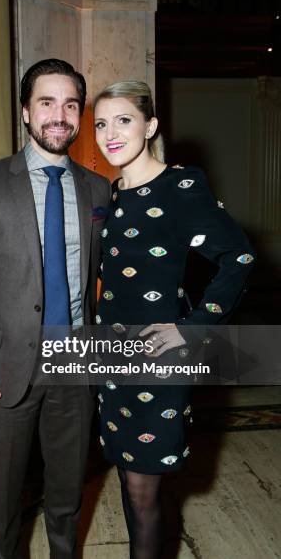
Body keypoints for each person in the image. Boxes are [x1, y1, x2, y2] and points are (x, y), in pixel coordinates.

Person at [0, 58, 111, 559]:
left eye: (70, 104)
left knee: (65, 498)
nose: (58, 115)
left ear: (79, 115)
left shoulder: (99, 190)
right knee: (3, 505)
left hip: (75, 371)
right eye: (46, 102)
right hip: (3, 372)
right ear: (25, 112)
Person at [93, 80, 255, 558]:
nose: (110, 133)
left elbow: (239, 258)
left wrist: (195, 325)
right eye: (101, 123)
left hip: (160, 360)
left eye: (124, 119)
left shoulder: (182, 185)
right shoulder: (111, 195)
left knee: (144, 489)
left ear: (151, 125)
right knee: (128, 475)